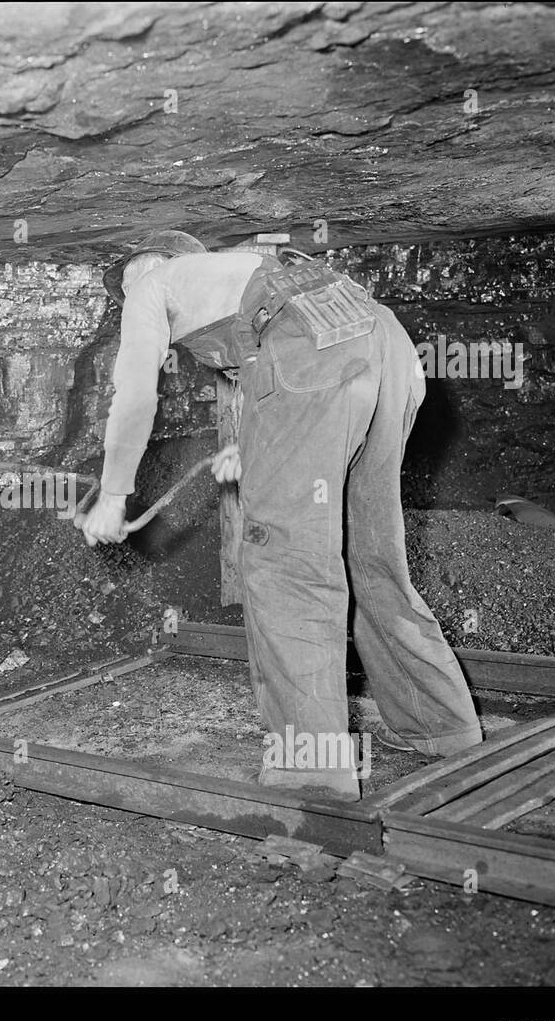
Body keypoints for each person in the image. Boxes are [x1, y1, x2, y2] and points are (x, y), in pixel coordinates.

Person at [81, 230, 483, 800]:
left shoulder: (153, 280)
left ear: (158, 260)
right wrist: (250, 444)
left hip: (315, 359)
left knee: (285, 559)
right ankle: (441, 728)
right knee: (372, 552)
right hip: (389, 349)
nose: (127, 291)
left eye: (126, 277)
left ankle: (311, 772)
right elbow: (276, 367)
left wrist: (115, 493)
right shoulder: (256, 272)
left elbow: (135, 390)